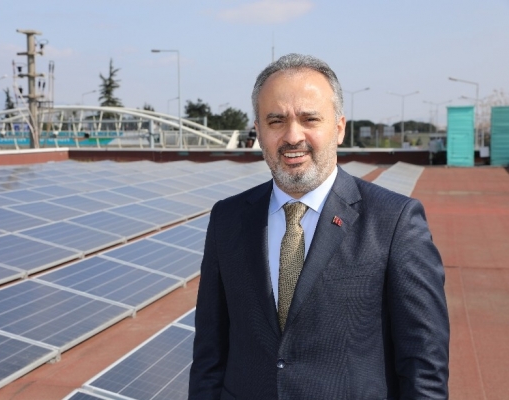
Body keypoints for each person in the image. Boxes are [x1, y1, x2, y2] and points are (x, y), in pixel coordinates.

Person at [189, 53, 449, 399]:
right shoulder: (228, 219)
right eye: (276, 121)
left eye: (309, 118)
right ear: (259, 131)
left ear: (339, 128)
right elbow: (209, 354)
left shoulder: (394, 222)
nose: (292, 136)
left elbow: (424, 368)